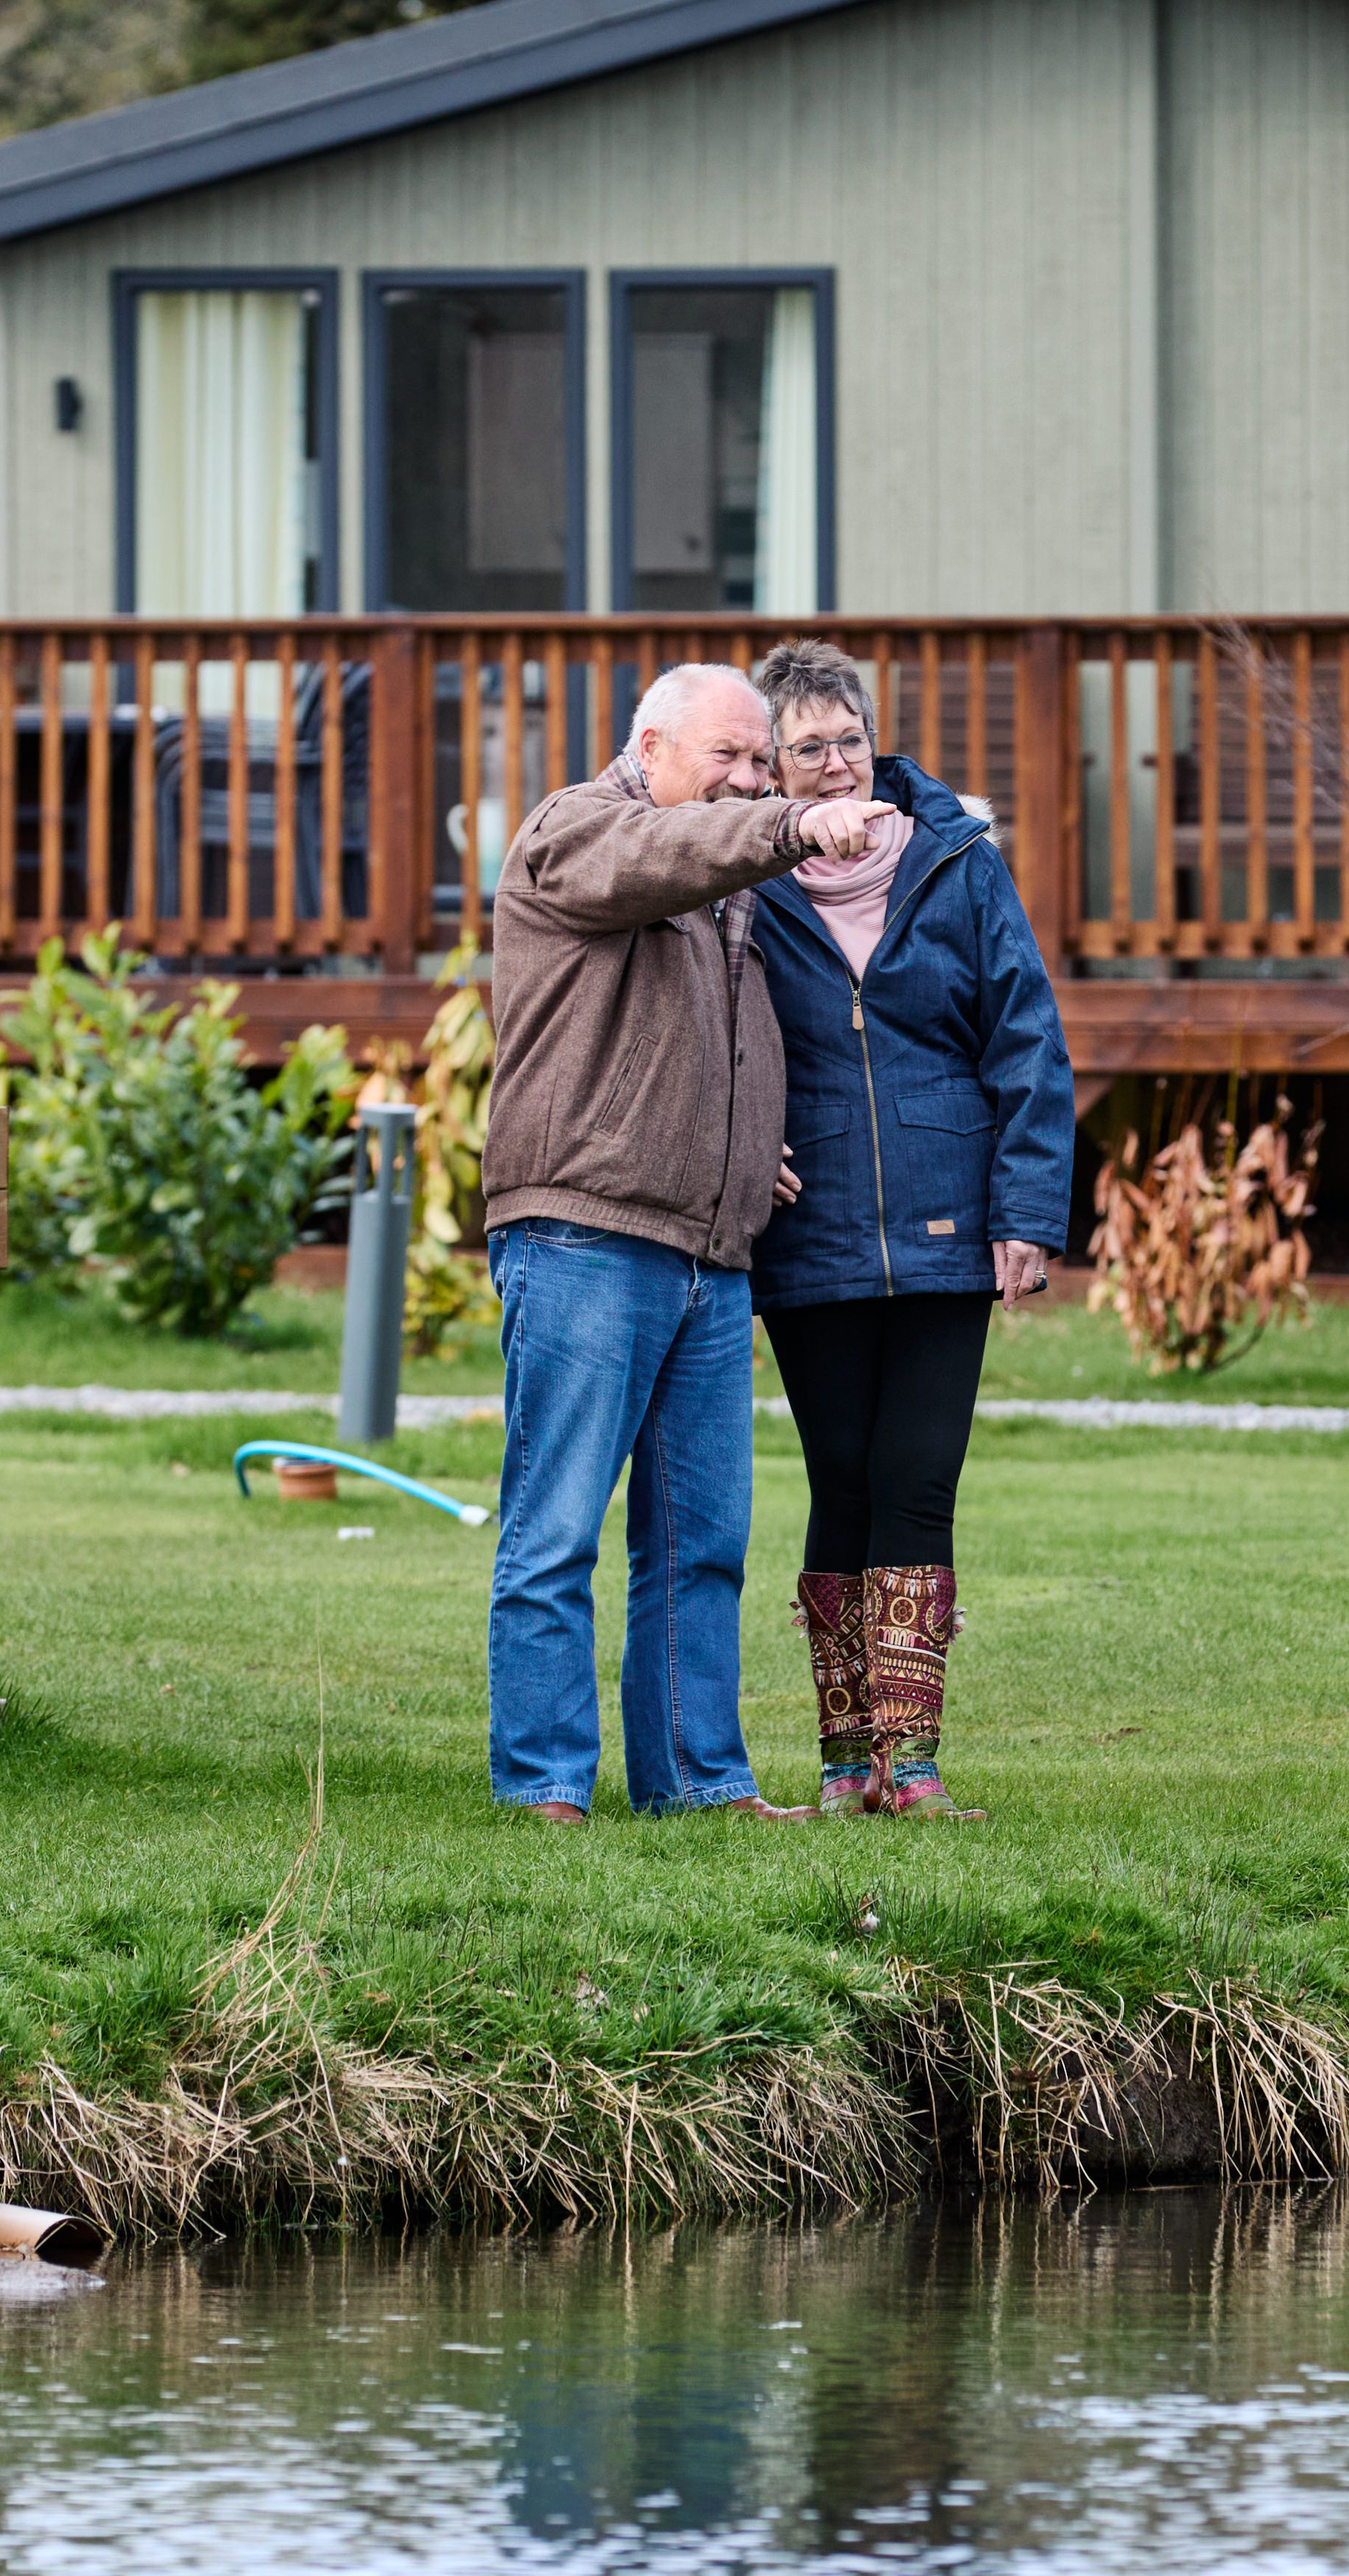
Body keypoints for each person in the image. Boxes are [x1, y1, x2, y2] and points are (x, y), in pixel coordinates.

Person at [480, 662, 886, 1822]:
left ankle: (698, 1784)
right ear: (652, 746)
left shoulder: (725, 886)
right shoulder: (581, 831)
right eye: (732, 757)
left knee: (702, 1546)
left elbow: (712, 1037)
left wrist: (744, 1139)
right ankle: (546, 1784)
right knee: (555, 1533)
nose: (751, 780)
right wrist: (792, 820)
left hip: (709, 1252)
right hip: (585, 1236)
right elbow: (666, 862)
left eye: (765, 763)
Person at [743, 640, 1077, 1820]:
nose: (835, 765)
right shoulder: (744, 885)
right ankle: (845, 1769)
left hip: (948, 1223)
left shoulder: (957, 862)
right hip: (811, 1227)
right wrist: (738, 1147)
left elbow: (1027, 1039)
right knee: (841, 1478)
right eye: (806, 747)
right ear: (772, 765)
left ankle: (915, 1768)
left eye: (849, 740)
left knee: (918, 1479)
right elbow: (712, 1036)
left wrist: (1027, 1211)